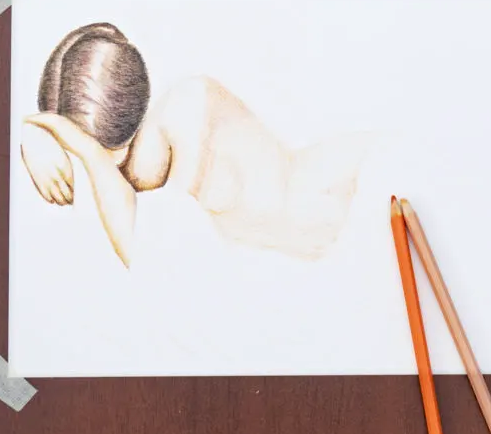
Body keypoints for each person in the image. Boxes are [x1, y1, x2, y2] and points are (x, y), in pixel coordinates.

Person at [21, 23, 366, 267]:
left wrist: (52, 136)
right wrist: (37, 137)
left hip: (337, 217)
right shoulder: (158, 134)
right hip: (313, 240)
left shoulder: (186, 113)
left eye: (78, 146)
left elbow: (138, 251)